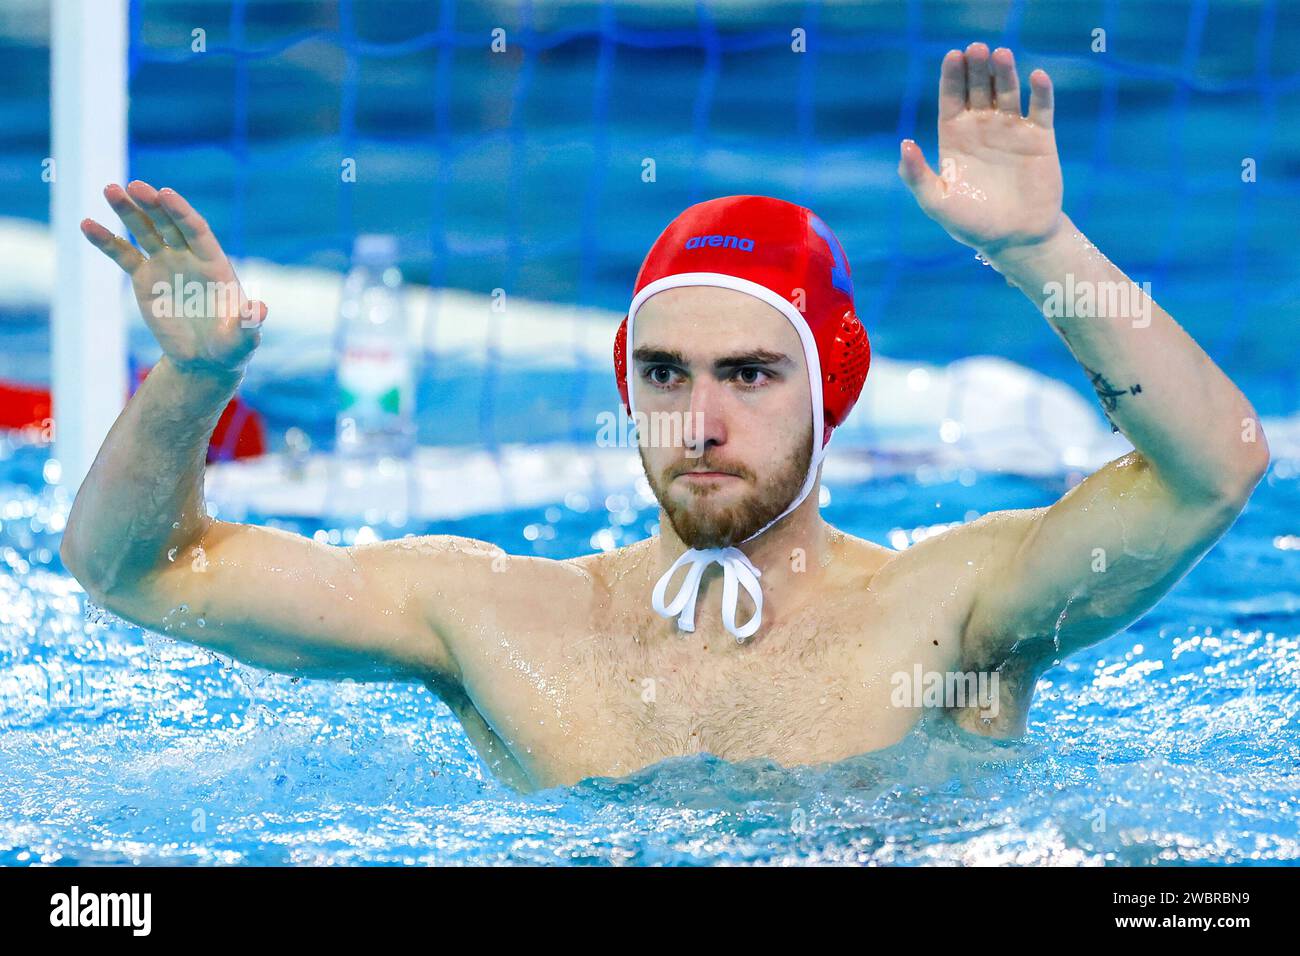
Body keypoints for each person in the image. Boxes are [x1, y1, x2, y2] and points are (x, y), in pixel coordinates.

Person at [61, 45, 1269, 792]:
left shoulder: (951, 610)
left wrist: (1036, 247)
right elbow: (131, 573)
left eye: (749, 374)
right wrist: (192, 380)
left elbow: (1211, 471)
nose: (697, 420)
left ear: (832, 388)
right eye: (665, 374)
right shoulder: (488, 614)